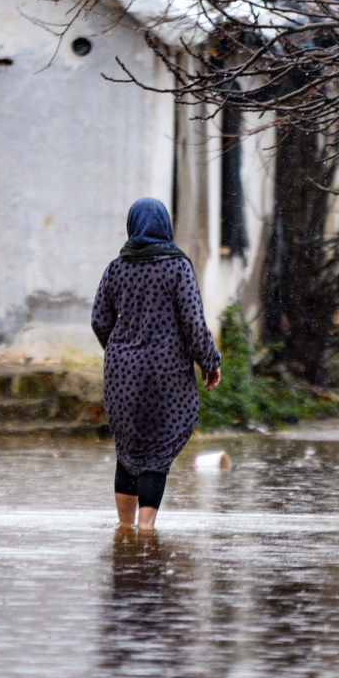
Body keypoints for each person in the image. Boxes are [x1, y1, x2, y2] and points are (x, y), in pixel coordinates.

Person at [91, 198, 222, 531]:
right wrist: (209, 362)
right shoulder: (177, 267)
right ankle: (146, 531)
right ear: (165, 225)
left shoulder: (116, 268)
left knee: (129, 450)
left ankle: (125, 531)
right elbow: (194, 323)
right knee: (156, 453)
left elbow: (99, 320)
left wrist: (121, 351)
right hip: (167, 375)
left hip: (122, 376)